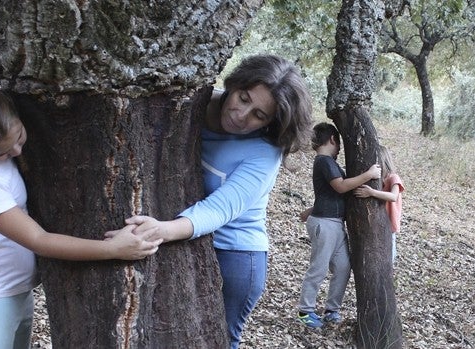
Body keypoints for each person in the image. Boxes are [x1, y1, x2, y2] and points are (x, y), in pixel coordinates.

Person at [108, 55, 314, 348]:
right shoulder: (192, 105)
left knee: (217, 341)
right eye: (243, 98)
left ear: (272, 122)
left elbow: (220, 209)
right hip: (188, 241)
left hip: (236, 256)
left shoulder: (265, 152)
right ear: (234, 85)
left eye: (259, 115)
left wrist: (159, 231)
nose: (242, 115)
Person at [0, 87, 162, 349]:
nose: (15, 151)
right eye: (0, 153)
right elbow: (38, 239)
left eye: (18, 137)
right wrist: (112, 249)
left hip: (13, 291)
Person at [296, 122, 381, 328]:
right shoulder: (324, 161)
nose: (340, 148)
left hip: (333, 223)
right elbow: (341, 187)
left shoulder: (329, 163)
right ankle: (305, 311)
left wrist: (310, 210)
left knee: (343, 266)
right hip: (325, 223)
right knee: (319, 267)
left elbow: (327, 191)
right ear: (333, 139)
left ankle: (331, 310)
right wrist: (369, 175)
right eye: (339, 143)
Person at [354, 145, 404, 262]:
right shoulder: (379, 181)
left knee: (389, 254)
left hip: (389, 223)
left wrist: (371, 192)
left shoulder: (393, 178)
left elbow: (393, 196)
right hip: (380, 222)